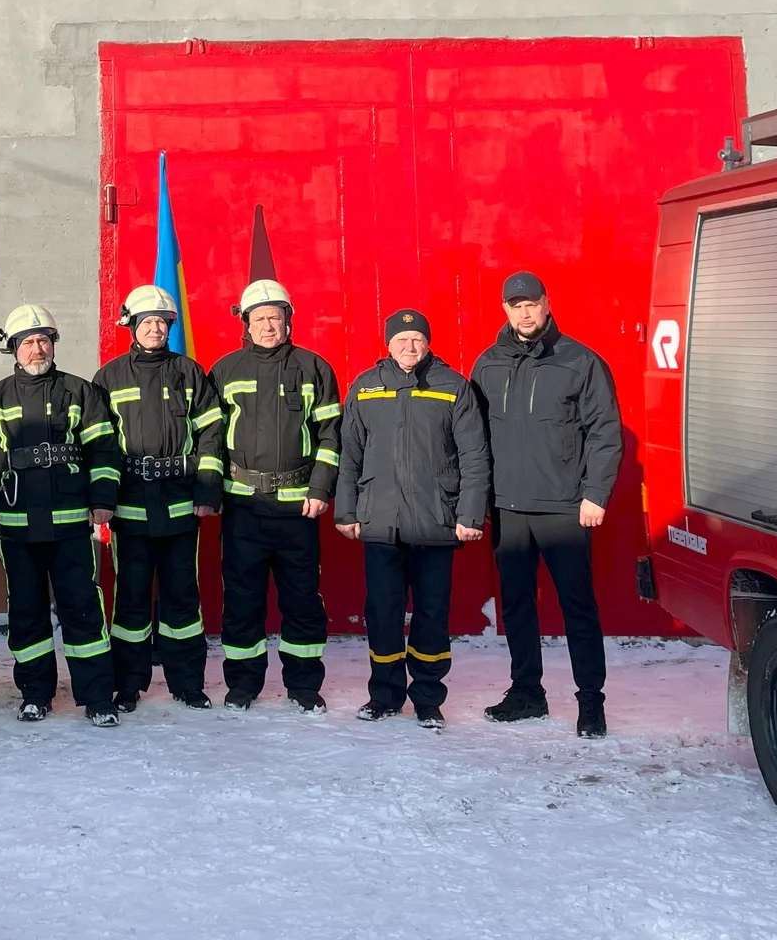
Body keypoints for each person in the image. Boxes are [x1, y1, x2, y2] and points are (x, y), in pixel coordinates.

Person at [470, 272, 624, 739]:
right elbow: (472, 438)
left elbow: (604, 432)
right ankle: (527, 694)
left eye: (532, 304)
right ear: (505, 309)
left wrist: (595, 493)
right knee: (517, 605)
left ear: (546, 303)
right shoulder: (488, 364)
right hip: (508, 508)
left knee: (577, 606)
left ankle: (590, 702)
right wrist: (476, 502)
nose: (525, 312)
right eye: (516, 305)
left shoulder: (580, 361)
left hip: (564, 507)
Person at [0, 304, 123, 726]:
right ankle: (35, 693)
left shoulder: (80, 392)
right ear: (13, 348)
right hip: (16, 527)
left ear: (53, 343)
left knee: (83, 610)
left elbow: (103, 452)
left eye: (44, 340)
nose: (38, 349)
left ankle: (96, 698)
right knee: (27, 613)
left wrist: (103, 498)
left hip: (72, 525)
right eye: (28, 342)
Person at [334, 308, 491, 729]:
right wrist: (346, 511)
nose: (409, 346)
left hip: (436, 522)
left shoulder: (453, 387)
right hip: (380, 521)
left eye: (417, 339)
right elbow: (348, 455)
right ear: (387, 344)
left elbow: (475, 457)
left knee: (431, 614)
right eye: (401, 340)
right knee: (382, 612)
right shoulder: (366, 388)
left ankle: (427, 697)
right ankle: (383, 695)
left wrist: (470, 513)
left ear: (428, 342)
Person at [208, 280, 342, 712]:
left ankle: (304, 686)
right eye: (259, 318)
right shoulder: (224, 370)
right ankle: (243, 685)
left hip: (298, 506)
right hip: (242, 506)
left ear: (288, 319)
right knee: (243, 600)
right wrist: (211, 492)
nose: (268, 325)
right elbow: (209, 438)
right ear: (245, 323)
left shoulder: (314, 368)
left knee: (302, 598)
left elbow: (330, 436)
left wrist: (321, 488)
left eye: (275, 316)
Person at [92, 284, 226, 711]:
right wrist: (103, 499)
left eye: (161, 322)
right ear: (131, 325)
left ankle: (187, 683)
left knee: (182, 596)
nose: (154, 328)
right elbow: (100, 444)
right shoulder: (109, 377)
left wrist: (207, 489)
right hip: (130, 504)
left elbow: (211, 434)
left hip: (181, 502)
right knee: (130, 598)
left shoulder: (190, 372)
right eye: (146, 321)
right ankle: (127, 685)